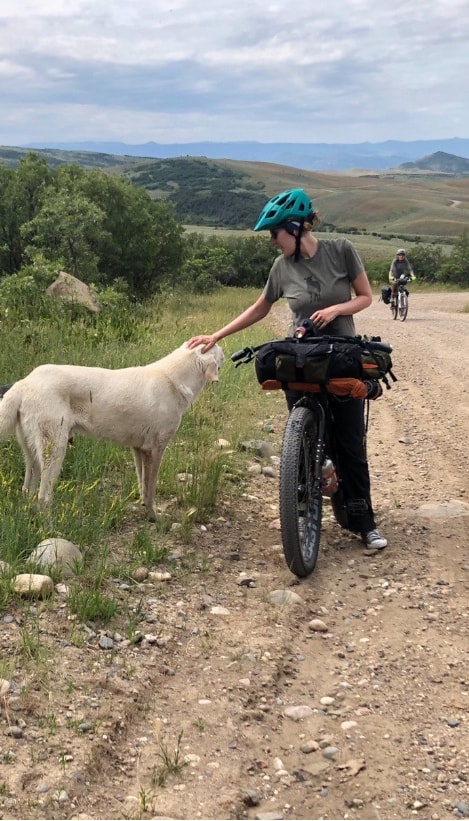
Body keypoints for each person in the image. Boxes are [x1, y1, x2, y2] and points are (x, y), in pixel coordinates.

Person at [187, 188, 387, 550]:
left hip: (341, 353)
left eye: (274, 233)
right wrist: (217, 335)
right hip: (304, 357)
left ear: (295, 228)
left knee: (351, 443)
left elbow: (365, 297)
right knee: (303, 435)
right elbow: (260, 307)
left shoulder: (340, 250)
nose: (272, 242)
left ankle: (365, 523)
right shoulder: (282, 267)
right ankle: (303, 504)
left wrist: (336, 310)